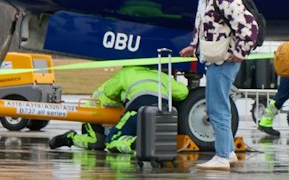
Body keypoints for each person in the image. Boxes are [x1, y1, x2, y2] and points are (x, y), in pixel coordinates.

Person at [178, 0, 254, 170]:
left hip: (223, 62)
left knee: (217, 108)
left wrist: (240, 52)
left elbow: (249, 26)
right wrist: (193, 47)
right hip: (214, 60)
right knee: (218, 107)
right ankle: (227, 152)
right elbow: (206, 28)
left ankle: (222, 155)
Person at [50, 63, 188, 153]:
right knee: (97, 142)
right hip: (98, 114)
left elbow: (111, 91)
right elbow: (183, 92)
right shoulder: (162, 76)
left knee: (110, 142)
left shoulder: (126, 73)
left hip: (134, 113)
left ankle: (135, 144)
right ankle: (70, 138)